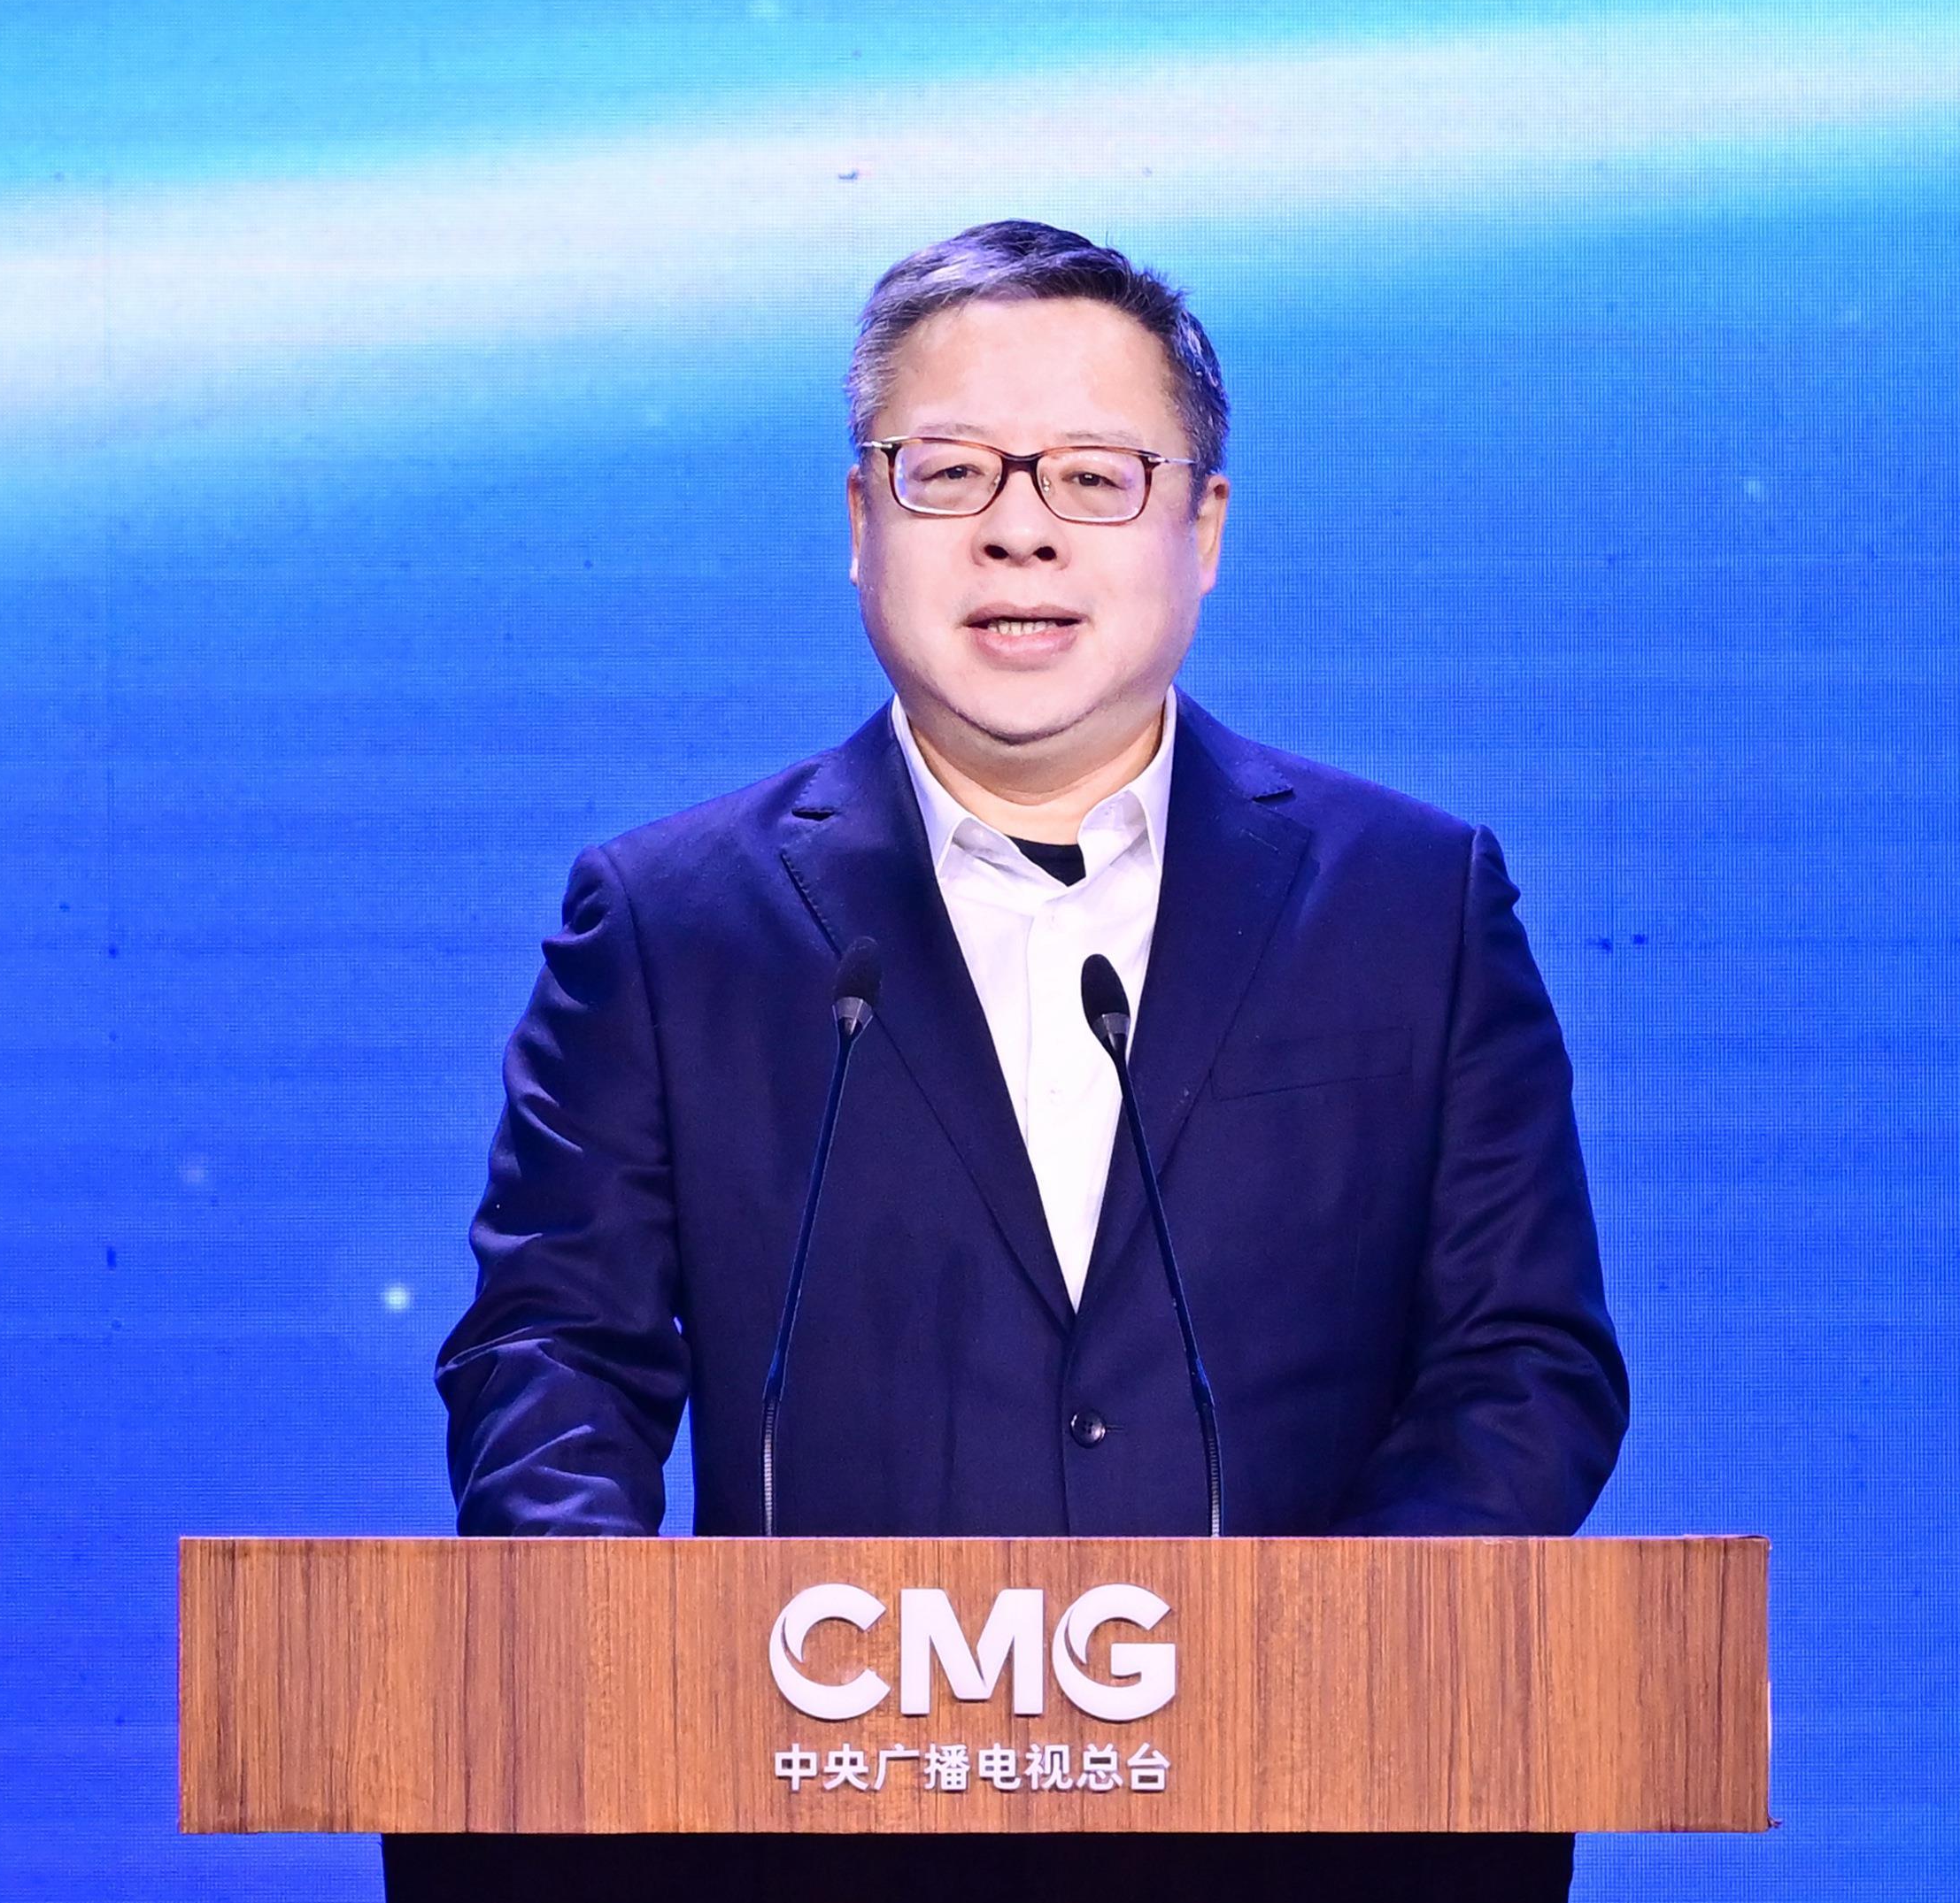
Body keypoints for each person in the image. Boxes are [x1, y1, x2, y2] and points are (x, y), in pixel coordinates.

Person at [437, 220, 1624, 1536]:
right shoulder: (671, 926)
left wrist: (1336, 1646)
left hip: (1310, 1677)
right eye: (950, 473)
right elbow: (549, 1359)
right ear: (861, 520)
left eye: (1092, 479)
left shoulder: (1409, 908)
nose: (1019, 533)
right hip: (823, 1680)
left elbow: (1521, 1368)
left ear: (1204, 529)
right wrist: (609, 1643)